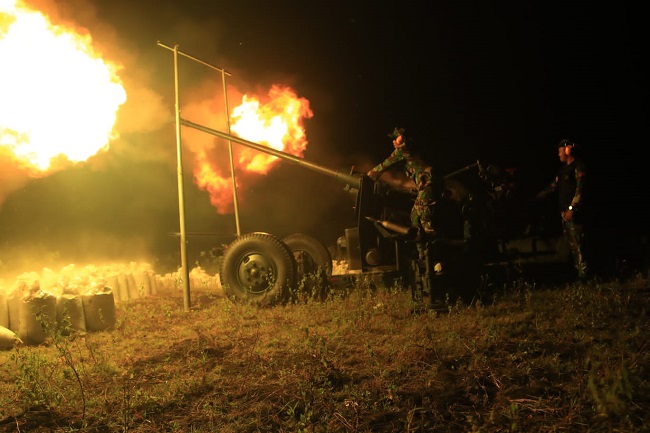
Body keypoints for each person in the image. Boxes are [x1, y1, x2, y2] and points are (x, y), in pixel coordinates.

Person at [367, 127, 436, 257]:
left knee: (427, 224)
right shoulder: (409, 149)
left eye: (397, 138)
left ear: (403, 139)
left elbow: (385, 164)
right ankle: (423, 253)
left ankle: (434, 253)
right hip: (426, 185)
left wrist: (369, 176)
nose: (394, 141)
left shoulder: (403, 149)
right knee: (415, 216)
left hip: (428, 185)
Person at [537, 138, 589, 280]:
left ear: (568, 150)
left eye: (560, 151)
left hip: (573, 214)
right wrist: (537, 197)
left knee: (579, 246)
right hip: (564, 214)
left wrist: (572, 208)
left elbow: (580, 189)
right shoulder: (562, 171)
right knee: (572, 246)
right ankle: (578, 274)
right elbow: (553, 187)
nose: (558, 155)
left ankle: (585, 277)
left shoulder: (578, 166)